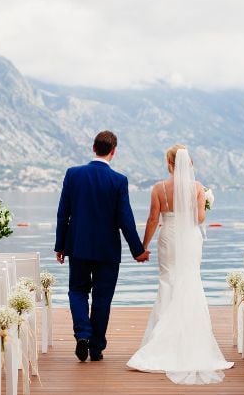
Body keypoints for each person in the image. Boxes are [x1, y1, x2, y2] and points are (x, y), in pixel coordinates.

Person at [126, 145, 233, 384]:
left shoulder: (158, 188)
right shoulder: (197, 188)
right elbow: (200, 218)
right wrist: (206, 201)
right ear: (190, 164)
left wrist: (143, 246)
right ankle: (189, 341)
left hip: (168, 236)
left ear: (169, 163)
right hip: (190, 239)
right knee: (191, 281)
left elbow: (154, 218)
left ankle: (161, 341)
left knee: (168, 282)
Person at [55, 130, 150, 363]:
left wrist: (60, 245)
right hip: (107, 250)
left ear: (93, 148)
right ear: (113, 151)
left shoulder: (73, 174)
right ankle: (96, 347)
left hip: (77, 246)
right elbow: (125, 219)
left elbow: (62, 214)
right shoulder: (118, 180)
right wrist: (138, 250)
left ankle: (83, 335)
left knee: (77, 291)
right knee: (102, 298)